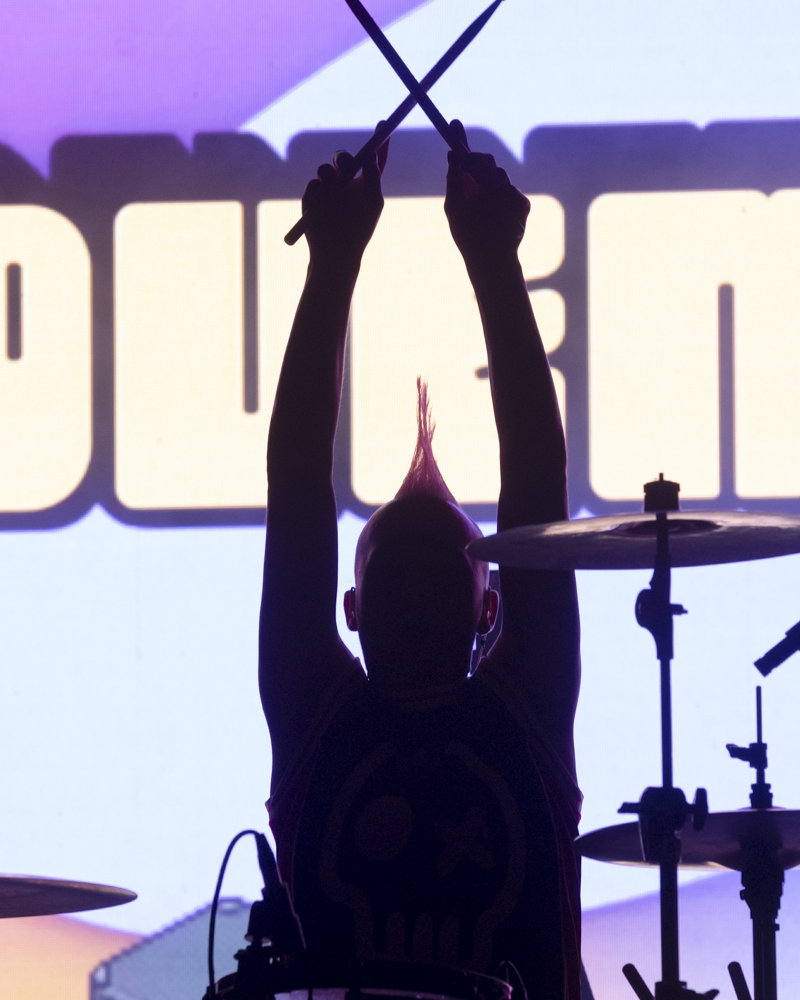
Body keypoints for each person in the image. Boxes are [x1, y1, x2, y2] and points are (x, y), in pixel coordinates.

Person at [260, 122, 581, 1000]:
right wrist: (337, 263)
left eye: (439, 576)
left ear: (491, 608)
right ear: (352, 606)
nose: (413, 599)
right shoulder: (324, 709)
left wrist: (491, 263)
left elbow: (536, 483)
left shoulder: (517, 702)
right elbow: (295, 483)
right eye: (396, 576)